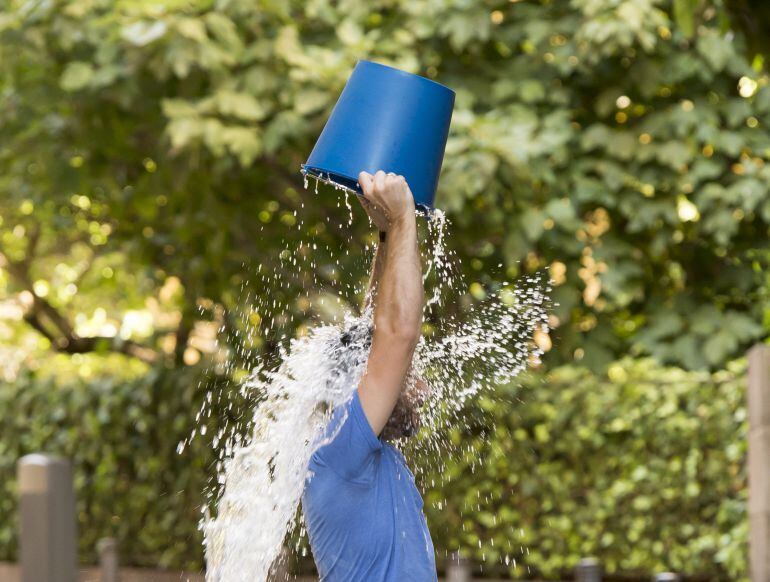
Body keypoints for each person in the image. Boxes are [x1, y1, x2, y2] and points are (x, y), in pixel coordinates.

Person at [302, 170, 436, 581]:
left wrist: (386, 238)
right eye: (407, 376)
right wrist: (403, 220)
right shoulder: (338, 451)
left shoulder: (358, 452)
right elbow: (396, 335)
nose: (422, 389)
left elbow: (375, 331)